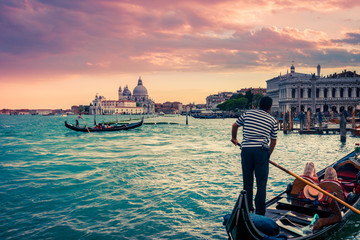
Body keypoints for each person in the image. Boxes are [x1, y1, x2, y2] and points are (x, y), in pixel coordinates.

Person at [231, 96, 278, 215]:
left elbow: (234, 125)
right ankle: (260, 213)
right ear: (270, 107)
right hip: (261, 152)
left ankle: (248, 209)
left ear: (259, 105)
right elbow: (273, 141)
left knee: (247, 182)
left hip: (246, 150)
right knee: (261, 184)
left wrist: (234, 138)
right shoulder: (273, 120)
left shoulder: (247, 114)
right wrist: (268, 155)